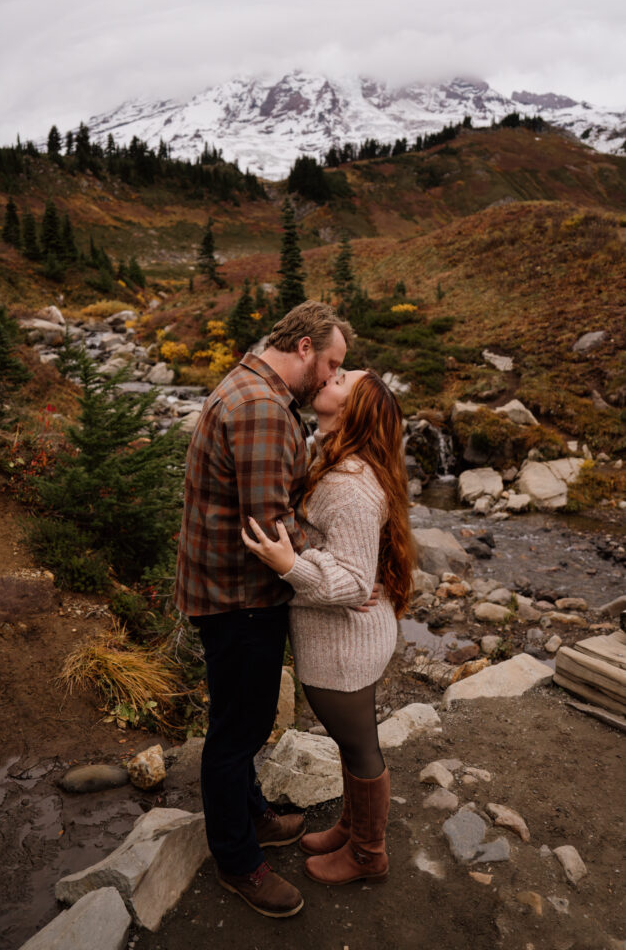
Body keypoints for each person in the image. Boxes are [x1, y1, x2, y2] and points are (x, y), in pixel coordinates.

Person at [174, 300, 354, 919]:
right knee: (237, 731)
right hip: (239, 599)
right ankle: (237, 860)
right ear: (304, 347)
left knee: (240, 718)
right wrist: (336, 572)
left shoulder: (249, 383)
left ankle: (253, 815)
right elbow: (266, 526)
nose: (331, 381)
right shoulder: (262, 409)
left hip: (222, 589)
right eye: (331, 366)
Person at [242, 369, 415, 886]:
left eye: (342, 378)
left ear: (354, 407)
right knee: (351, 742)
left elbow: (356, 583)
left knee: (360, 746)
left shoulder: (349, 487)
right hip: (347, 640)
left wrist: (287, 564)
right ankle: (351, 825)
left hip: (346, 648)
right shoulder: (332, 458)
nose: (329, 375)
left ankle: (368, 854)